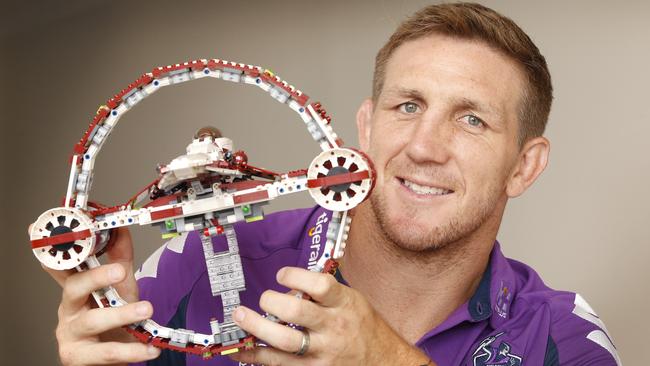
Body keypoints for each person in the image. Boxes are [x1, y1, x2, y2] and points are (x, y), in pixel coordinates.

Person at [44, 3, 621, 366]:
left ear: (525, 166)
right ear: (364, 128)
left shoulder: (562, 340)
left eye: (472, 119)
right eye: (407, 106)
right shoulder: (186, 270)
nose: (423, 146)